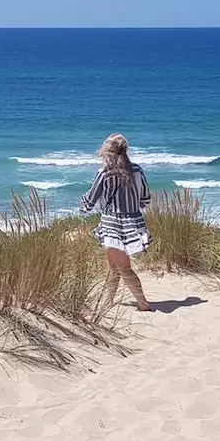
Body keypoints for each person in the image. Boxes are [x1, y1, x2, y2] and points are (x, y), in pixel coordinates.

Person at [79, 133, 152, 311]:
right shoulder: (137, 170)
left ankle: (143, 304)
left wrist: (83, 209)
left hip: (112, 224)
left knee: (123, 267)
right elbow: (146, 198)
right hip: (134, 223)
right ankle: (107, 302)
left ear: (107, 153)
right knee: (113, 265)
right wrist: (133, 206)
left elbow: (90, 199)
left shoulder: (104, 173)